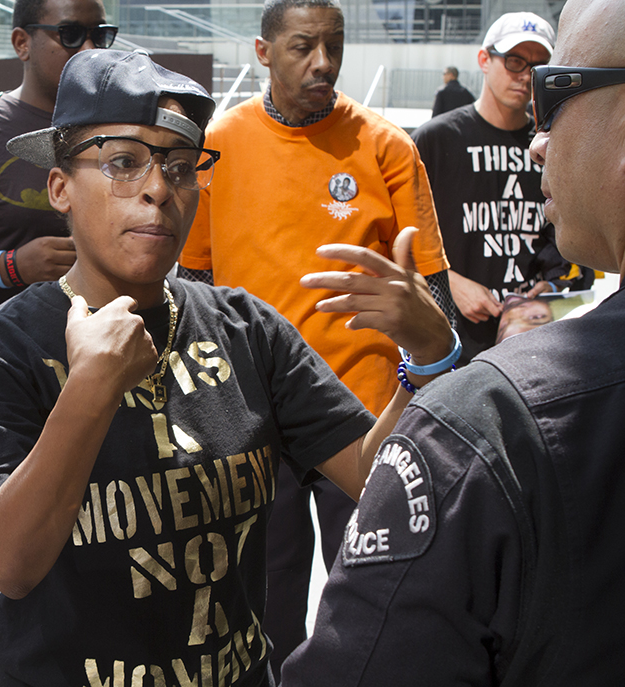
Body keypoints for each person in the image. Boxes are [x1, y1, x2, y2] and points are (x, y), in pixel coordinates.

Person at [0, 48, 455, 686]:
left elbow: (374, 477)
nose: (159, 188)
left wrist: (430, 357)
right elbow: (11, 566)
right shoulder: (1, 348)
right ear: (60, 187)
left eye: (180, 168)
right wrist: (88, 393)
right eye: (123, 162)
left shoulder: (248, 329)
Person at [281, 0, 625, 683]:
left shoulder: (483, 428)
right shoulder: (433, 138)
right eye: (523, 73)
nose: (537, 139)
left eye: (554, 90)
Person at [178, 0, 452, 676]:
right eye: (304, 46)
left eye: (334, 44)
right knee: (260, 614)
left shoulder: (387, 146)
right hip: (250, 421)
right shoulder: (219, 145)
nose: (323, 62)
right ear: (263, 52)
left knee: (375, 603)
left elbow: (433, 293)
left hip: (364, 421)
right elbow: (190, 282)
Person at [0, 0, 115, 684]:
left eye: (101, 33)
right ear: (20, 42)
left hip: (106, 384)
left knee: (102, 572)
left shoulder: (113, 131)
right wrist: (10, 265)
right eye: (70, 34)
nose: (88, 45)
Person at [412, 11, 571, 365]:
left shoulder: (550, 144)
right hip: (452, 339)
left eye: (538, 65)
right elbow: (397, 238)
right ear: (484, 59)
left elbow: (565, 240)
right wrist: (449, 281)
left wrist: (554, 285)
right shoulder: (436, 140)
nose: (525, 75)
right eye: (514, 60)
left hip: (530, 342)